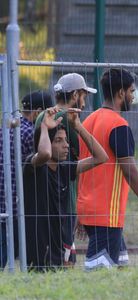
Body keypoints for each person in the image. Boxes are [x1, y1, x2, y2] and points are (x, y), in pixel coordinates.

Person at [77, 68, 138, 270]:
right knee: (97, 275)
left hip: (89, 209)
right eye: (132, 91)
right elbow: (130, 172)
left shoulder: (88, 121)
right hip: (107, 213)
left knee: (120, 268)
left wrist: (80, 212)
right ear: (120, 93)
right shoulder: (118, 125)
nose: (133, 97)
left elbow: (81, 168)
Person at [24, 106, 108, 271]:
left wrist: (77, 126)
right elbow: (45, 155)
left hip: (58, 245)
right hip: (38, 248)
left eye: (66, 140)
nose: (66, 145)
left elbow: (101, 157)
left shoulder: (64, 169)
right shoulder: (32, 165)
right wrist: (44, 128)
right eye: (58, 140)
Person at [35, 73, 97, 265]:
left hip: (44, 198)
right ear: (76, 94)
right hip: (63, 200)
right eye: (84, 95)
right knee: (65, 258)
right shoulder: (67, 119)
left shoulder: (43, 116)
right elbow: (80, 163)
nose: (84, 101)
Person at [0, 91, 53, 270]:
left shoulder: (5, 129)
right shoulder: (31, 132)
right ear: (38, 113)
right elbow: (43, 157)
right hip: (16, 204)